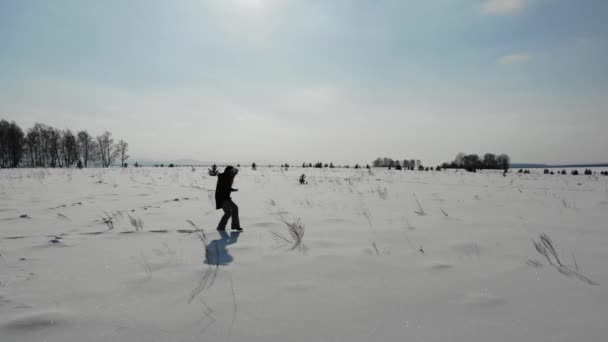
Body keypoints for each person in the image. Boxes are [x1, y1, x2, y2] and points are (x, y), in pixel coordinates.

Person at [214, 166, 243, 231]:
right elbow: (224, 187)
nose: (233, 172)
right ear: (228, 171)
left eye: (233, 171)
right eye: (231, 171)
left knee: (228, 212)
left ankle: (221, 227)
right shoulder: (224, 177)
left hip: (224, 197)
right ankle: (235, 226)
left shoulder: (227, 177)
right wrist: (231, 189)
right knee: (235, 208)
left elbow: (226, 187)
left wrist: (233, 189)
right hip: (222, 198)